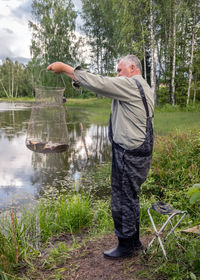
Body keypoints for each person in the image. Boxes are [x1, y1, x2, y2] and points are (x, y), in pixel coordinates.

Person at [47, 55, 154, 259]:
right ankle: (134, 242)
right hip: (138, 150)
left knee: (122, 198)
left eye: (119, 71)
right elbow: (104, 87)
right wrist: (75, 77)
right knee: (130, 196)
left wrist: (66, 68)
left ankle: (126, 246)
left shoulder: (131, 85)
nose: (117, 75)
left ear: (132, 68)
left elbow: (100, 83)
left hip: (129, 152)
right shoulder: (143, 86)